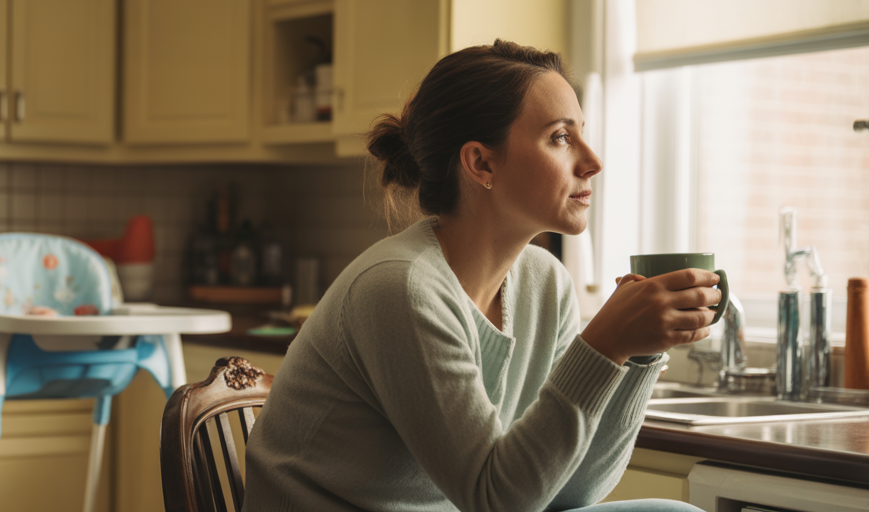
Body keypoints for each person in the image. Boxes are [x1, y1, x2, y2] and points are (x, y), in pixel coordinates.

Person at [242, 40, 715, 512]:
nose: (593, 161)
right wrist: (603, 345)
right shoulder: (401, 288)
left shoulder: (545, 283)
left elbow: (568, 492)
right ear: (481, 163)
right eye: (560, 137)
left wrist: (637, 355)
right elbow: (497, 500)